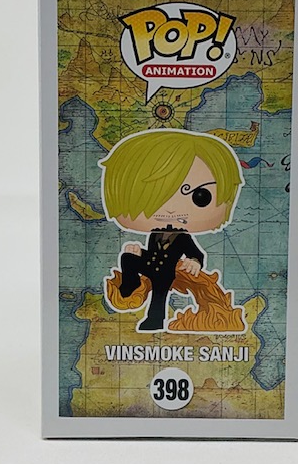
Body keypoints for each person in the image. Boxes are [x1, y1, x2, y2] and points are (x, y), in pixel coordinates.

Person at [99, 129, 244, 332]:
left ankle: (155, 320)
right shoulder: (155, 232)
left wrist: (194, 262)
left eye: (200, 196)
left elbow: (196, 253)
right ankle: (130, 286)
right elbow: (153, 252)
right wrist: (139, 253)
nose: (170, 210)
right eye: (151, 196)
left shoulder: (183, 237)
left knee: (159, 295)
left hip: (166, 272)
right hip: (150, 264)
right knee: (127, 258)